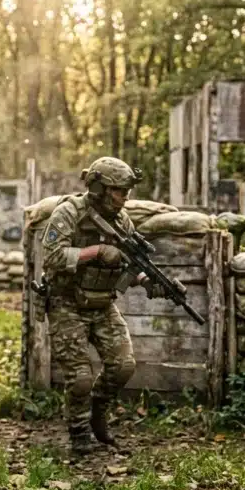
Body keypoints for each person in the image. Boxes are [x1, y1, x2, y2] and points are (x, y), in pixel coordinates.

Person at [39, 156, 168, 454]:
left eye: (127, 192)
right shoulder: (69, 213)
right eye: (119, 191)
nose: (124, 197)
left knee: (123, 366)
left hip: (102, 304)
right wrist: (95, 251)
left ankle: (99, 413)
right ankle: (79, 431)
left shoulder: (122, 220)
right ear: (98, 188)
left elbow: (127, 263)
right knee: (80, 378)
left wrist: (147, 280)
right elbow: (52, 257)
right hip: (66, 302)